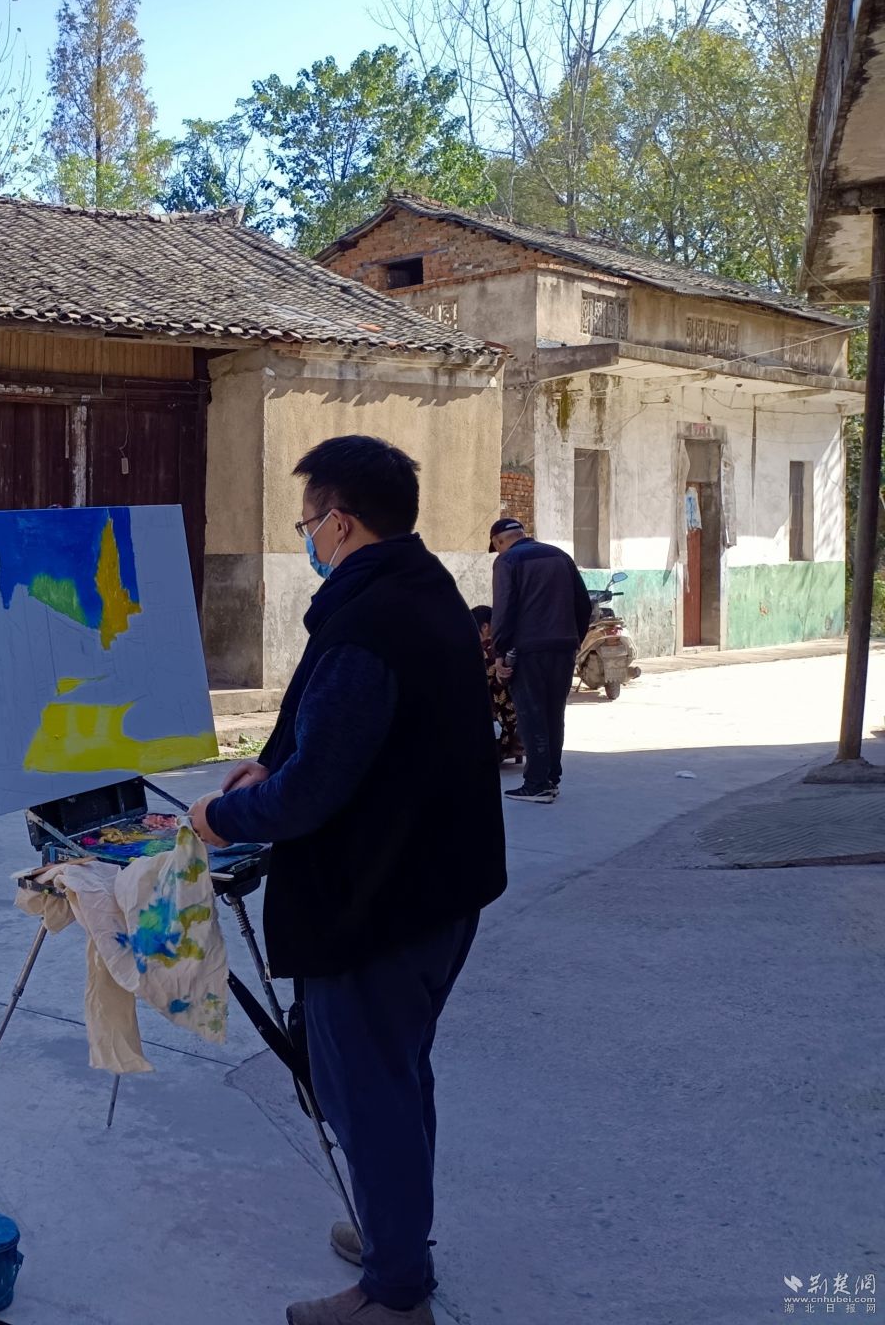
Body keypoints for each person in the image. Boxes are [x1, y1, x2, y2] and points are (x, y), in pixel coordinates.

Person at [189, 436, 507, 1325]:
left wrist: (223, 818)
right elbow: (337, 733)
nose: (307, 541)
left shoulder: (373, 623)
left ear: (340, 522)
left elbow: (312, 794)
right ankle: (394, 1234)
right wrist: (271, 761)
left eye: (307, 526)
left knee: (367, 1093)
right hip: (437, 890)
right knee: (396, 1077)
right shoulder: (421, 590)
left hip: (379, 902)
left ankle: (395, 1295)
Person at [488, 518, 592, 804]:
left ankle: (536, 784)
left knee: (532, 715)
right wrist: (574, 639)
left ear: (498, 541)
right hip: (563, 647)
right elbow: (583, 605)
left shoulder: (507, 561)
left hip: (528, 651)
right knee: (553, 714)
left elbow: (503, 609)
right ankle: (551, 779)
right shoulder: (560, 556)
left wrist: (499, 653)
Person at [471, 604, 523, 768]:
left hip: (498, 705)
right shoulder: (503, 646)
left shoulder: (485, 649)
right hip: (512, 703)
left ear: (484, 627)